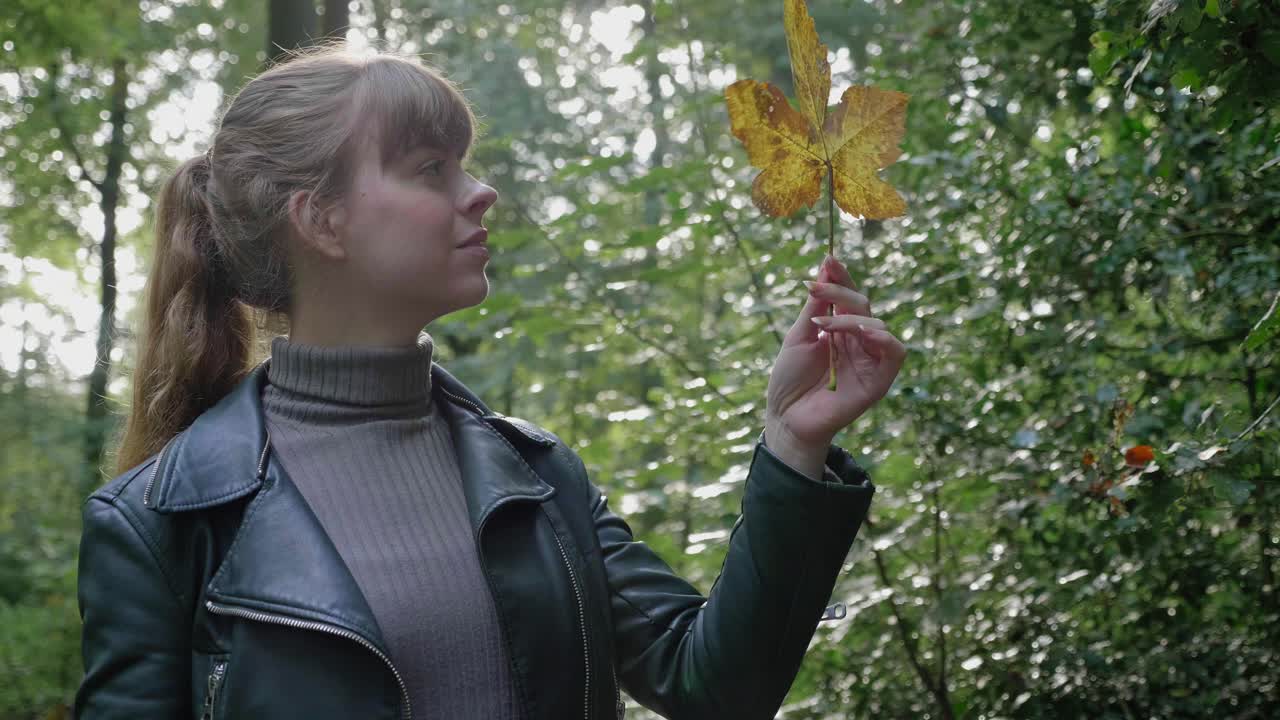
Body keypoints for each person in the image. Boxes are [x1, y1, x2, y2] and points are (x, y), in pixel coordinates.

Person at [74, 44, 906, 720]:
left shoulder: (538, 478)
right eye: (432, 168)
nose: (481, 192)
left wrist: (794, 440)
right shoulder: (162, 524)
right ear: (321, 220)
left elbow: (715, 687)